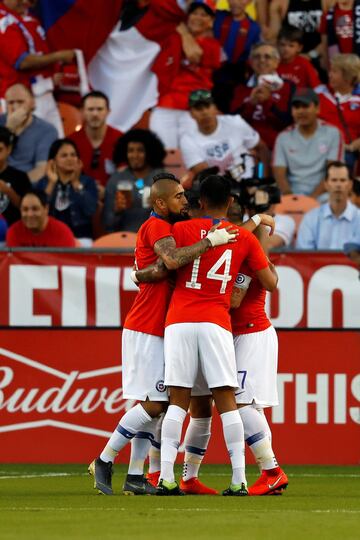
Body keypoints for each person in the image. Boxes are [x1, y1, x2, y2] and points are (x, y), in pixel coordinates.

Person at [88, 172, 238, 496]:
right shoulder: (157, 226)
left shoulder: (168, 228)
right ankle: (104, 458)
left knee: (158, 405)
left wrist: (144, 273)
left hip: (161, 326)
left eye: (186, 196)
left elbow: (158, 270)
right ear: (160, 202)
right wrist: (210, 241)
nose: (185, 201)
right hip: (147, 326)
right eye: (179, 196)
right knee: (156, 406)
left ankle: (135, 476)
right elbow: (170, 260)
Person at [158, 174, 278, 496]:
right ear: (230, 203)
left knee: (178, 403)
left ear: (198, 202)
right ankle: (238, 480)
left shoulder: (180, 230)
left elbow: (166, 263)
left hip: (179, 320)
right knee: (227, 401)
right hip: (215, 322)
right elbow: (270, 281)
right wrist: (257, 227)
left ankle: (166, 478)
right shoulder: (243, 238)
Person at [230, 225, 288, 496]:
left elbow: (234, 301)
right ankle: (270, 476)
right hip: (247, 334)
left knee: (242, 404)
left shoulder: (246, 263)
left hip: (252, 334)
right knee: (252, 408)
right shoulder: (253, 260)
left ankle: (272, 471)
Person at [149, 0, 221, 149]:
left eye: (204, 15)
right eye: (194, 13)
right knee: (164, 157)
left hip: (194, 109)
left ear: (211, 21)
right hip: (165, 105)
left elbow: (194, 54)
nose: (198, 18)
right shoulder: (173, 37)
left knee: (192, 157)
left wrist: (183, 31)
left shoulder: (213, 46)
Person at [0, 0, 75, 134]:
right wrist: (58, 56)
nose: (26, 2)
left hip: (45, 91)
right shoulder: (2, 20)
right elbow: (22, 62)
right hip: (21, 98)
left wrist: (52, 77)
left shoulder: (29, 17)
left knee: (55, 146)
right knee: (28, 147)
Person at [180, 89, 263, 184]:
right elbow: (204, 174)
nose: (204, 112)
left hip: (249, 183)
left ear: (215, 108)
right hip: (218, 192)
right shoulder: (187, 140)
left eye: (207, 106)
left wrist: (263, 181)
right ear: (191, 114)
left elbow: (262, 148)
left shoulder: (236, 123)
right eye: (199, 109)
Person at [273, 87, 344, 198]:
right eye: (296, 107)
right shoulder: (283, 137)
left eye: (305, 106)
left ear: (317, 108)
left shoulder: (333, 133)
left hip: (323, 194)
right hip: (292, 195)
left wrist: (310, 201)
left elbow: (333, 172)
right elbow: (279, 174)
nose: (301, 111)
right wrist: (290, 198)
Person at [230, 43, 295, 151]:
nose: (262, 60)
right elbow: (232, 123)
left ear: (276, 63)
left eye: (267, 57)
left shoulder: (288, 87)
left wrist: (267, 102)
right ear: (251, 62)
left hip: (277, 147)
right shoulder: (240, 88)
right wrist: (250, 104)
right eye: (257, 57)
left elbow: (287, 122)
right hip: (246, 147)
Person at [103, 129, 165, 233]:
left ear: (149, 152)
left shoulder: (164, 178)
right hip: (124, 241)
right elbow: (107, 224)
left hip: (156, 238)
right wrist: (117, 211)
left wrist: (160, 210)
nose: (135, 155)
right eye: (130, 150)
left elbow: (178, 218)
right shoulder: (116, 180)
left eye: (140, 150)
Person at [37, 138, 97, 242]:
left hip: (81, 237)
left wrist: (76, 183)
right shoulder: (44, 182)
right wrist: (51, 183)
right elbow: (38, 210)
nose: (70, 159)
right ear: (53, 161)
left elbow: (90, 210)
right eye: (64, 155)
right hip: (50, 236)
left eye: (73, 155)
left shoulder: (87, 181)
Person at [0, 83, 58, 182]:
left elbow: (41, 169)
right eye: (11, 103)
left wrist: (17, 187)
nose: (15, 107)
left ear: (33, 103)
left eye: (20, 102)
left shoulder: (47, 130)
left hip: (28, 185)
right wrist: (8, 129)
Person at [296, 160, 360, 249]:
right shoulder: (310, 218)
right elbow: (304, 256)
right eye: (334, 180)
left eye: (342, 180)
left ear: (350, 184)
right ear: (326, 184)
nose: (338, 184)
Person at [212, 0, 261, 113]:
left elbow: (254, 54)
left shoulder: (253, 27)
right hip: (213, 70)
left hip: (235, 75)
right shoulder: (218, 16)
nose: (236, 2)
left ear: (249, 2)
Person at [69, 91, 122, 190]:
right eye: (90, 109)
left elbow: (129, 176)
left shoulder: (121, 140)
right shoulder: (70, 142)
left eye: (100, 109)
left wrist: (107, 191)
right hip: (78, 196)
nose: (95, 114)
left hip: (114, 197)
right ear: (82, 112)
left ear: (108, 111)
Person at [317, 54, 360, 172]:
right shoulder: (319, 93)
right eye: (330, 70)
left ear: (348, 76)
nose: (329, 75)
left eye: (335, 72)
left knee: (345, 158)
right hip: (319, 149)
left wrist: (352, 146)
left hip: (350, 152)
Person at [6, 188, 76, 247]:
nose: (29, 214)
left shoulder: (62, 232)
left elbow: (69, 261)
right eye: (25, 209)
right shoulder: (14, 232)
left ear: (46, 209)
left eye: (35, 209)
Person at [0, 125, 31, 226]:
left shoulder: (20, 177)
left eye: (0, 150)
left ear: (8, 149)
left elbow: (27, 208)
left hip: (14, 232)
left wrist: (8, 191)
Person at [319, 0, 357, 69]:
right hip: (338, 65)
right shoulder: (328, 15)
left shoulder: (358, 11)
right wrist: (326, 61)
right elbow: (324, 43)